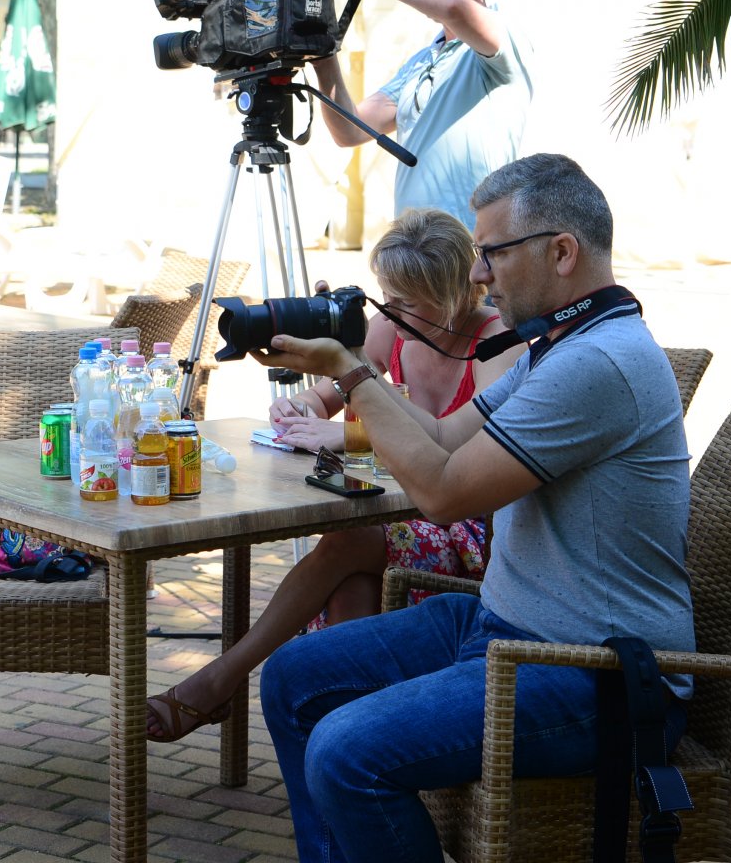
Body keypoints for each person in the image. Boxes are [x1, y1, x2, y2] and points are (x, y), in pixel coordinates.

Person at [251, 153, 695, 863]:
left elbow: (442, 493)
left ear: (560, 252)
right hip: (507, 629)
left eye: (492, 253)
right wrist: (344, 363)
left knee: (345, 751)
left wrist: (351, 375)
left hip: (593, 674)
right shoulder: (555, 347)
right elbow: (440, 436)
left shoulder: (597, 363)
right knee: (294, 678)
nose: (479, 273)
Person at [145, 208, 526, 742]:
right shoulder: (395, 324)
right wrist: (297, 408)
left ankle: (222, 680)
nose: (388, 313)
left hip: (475, 528)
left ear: (452, 296)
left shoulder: (497, 341)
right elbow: (330, 390)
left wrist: (348, 434)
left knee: (351, 543)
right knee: (353, 572)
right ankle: (344, 734)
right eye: (385, 298)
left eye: (405, 302)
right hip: (409, 510)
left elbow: (457, 442)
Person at [302, 0, 532, 231]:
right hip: (412, 251)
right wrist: (323, 56)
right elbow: (349, 130)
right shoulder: (421, 61)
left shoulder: (504, 34)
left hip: (473, 252)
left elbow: (452, 7)